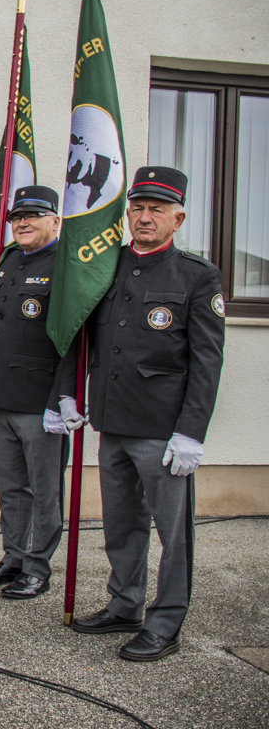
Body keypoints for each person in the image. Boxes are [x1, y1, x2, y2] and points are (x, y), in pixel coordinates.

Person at [70, 166, 224, 662]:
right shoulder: (106, 266)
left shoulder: (197, 276)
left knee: (171, 533)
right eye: (137, 208)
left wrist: (191, 433)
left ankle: (166, 620)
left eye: (157, 209)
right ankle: (124, 604)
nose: (144, 217)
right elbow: (82, 337)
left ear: (178, 218)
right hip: (112, 422)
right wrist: (72, 396)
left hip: (162, 430)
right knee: (120, 523)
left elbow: (206, 362)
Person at [0, 186, 75, 599]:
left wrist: (61, 399)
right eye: (16, 218)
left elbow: (73, 338)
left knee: (45, 490)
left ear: (55, 221)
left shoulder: (66, 266)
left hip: (40, 400)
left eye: (33, 216)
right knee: (11, 486)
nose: (22, 223)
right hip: (4, 393)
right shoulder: (7, 260)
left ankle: (38, 565)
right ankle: (13, 556)